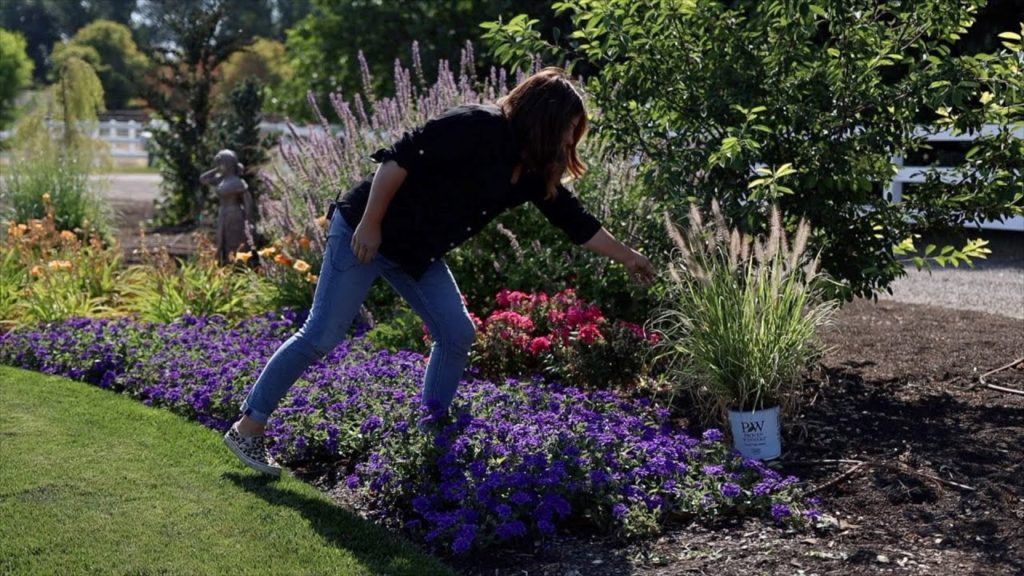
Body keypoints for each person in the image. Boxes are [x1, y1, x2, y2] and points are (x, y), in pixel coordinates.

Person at [223, 67, 656, 476]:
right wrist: (371, 223)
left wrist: (630, 256)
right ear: (545, 119)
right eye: (568, 127)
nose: (569, 138)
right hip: (365, 232)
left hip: (416, 253)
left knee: (456, 333)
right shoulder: (475, 125)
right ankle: (248, 428)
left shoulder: (532, 169)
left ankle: (431, 436)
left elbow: (575, 221)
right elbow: (397, 160)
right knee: (321, 334)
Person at [199, 149, 256, 264]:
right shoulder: (221, 179)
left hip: (234, 215)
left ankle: (236, 266)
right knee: (222, 241)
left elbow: (248, 203)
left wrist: (249, 222)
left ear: (228, 164)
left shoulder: (238, 182)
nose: (219, 166)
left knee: (233, 242)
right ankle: (225, 265)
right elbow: (203, 179)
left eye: (221, 164)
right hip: (223, 214)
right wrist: (217, 169)